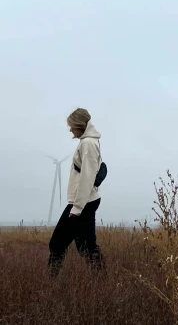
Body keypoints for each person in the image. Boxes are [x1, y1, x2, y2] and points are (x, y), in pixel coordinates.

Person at [48, 108, 105, 276]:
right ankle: (102, 282)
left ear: (80, 125)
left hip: (83, 203)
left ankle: (50, 283)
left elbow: (87, 177)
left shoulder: (88, 144)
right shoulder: (90, 142)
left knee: (57, 244)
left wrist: (77, 207)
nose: (70, 130)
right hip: (89, 200)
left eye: (72, 126)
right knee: (86, 246)